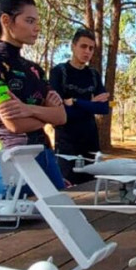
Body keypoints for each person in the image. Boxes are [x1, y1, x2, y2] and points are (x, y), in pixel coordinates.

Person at [0, 0, 66, 197]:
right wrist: (46, 112)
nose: (37, 28)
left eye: (37, 21)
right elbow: (14, 125)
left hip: (46, 157)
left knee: (59, 221)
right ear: (6, 21)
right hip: (15, 162)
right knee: (16, 227)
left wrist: (27, 109)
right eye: (29, 20)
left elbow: (62, 117)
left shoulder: (34, 69)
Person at [50, 28, 109, 184]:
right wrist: (91, 105)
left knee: (91, 186)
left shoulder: (94, 75)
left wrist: (76, 102)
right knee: (68, 187)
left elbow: (103, 109)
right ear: (73, 46)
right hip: (67, 141)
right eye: (83, 46)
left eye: (91, 48)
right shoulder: (59, 72)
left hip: (90, 139)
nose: (87, 51)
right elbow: (61, 113)